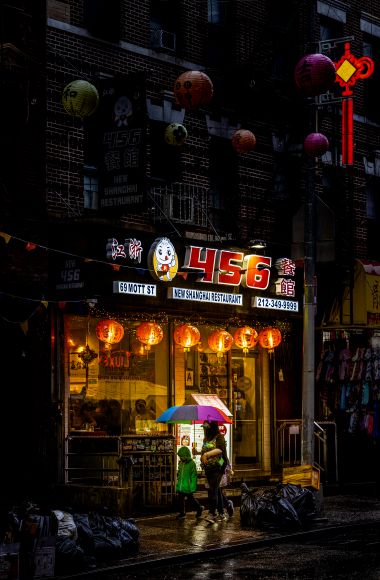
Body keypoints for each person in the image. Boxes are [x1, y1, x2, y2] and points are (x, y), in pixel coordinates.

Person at [199, 420, 228, 523]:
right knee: (215, 490)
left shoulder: (219, 437)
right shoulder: (205, 439)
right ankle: (222, 512)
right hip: (208, 468)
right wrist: (201, 456)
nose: (205, 429)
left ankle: (212, 513)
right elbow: (203, 452)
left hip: (218, 467)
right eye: (204, 427)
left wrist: (207, 455)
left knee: (213, 489)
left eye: (206, 427)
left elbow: (220, 450)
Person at [175, 446, 204, 519]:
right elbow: (180, 475)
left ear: (185, 456)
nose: (180, 458)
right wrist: (178, 484)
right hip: (181, 486)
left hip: (188, 486)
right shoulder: (181, 463)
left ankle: (199, 508)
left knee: (191, 500)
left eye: (181, 456)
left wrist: (192, 487)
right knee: (180, 500)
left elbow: (194, 476)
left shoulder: (191, 464)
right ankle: (182, 513)